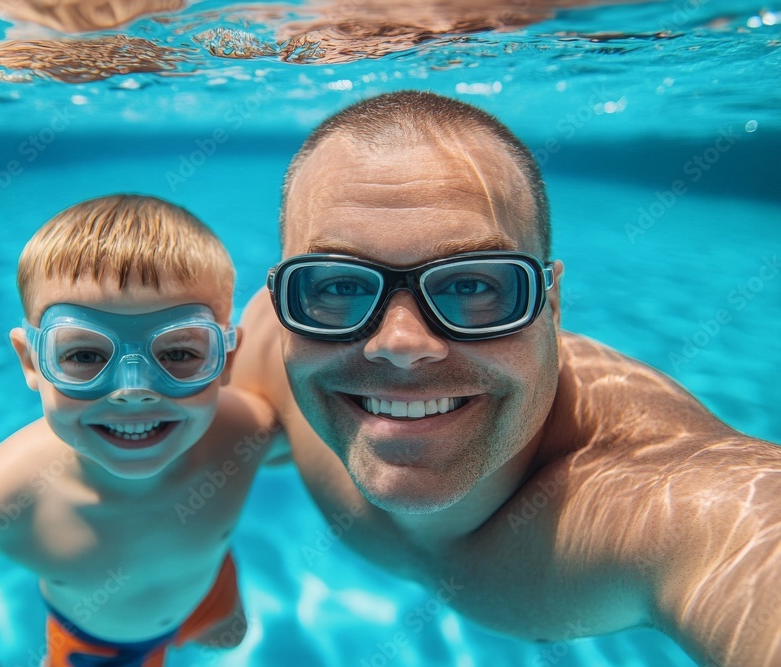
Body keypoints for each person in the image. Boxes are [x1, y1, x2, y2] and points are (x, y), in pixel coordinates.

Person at [234, 91, 781, 666]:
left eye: (472, 286)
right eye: (340, 285)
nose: (400, 345)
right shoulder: (273, 347)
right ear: (284, 304)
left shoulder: (674, 505)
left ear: (553, 305)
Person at [0, 194, 284, 667]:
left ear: (225, 359)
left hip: (208, 593)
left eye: (177, 354)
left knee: (230, 638)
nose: (132, 391)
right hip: (98, 645)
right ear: (31, 361)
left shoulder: (248, 431)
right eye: (86, 356)